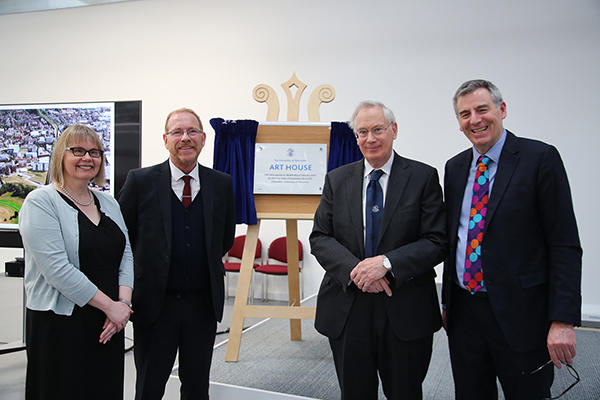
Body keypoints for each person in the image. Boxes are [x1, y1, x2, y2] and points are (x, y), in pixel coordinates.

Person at [442, 79, 582, 399]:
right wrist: (447, 302)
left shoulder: (540, 159)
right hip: (464, 315)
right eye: (465, 114)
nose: (474, 120)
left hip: (522, 316)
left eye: (482, 109)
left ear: (502, 110)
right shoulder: (454, 167)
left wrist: (563, 319)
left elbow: (564, 244)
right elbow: (455, 239)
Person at [310, 101, 446, 400]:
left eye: (377, 130)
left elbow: (437, 241)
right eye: (362, 132)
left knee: (405, 392)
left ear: (394, 130)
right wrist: (358, 272)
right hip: (349, 307)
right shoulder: (337, 179)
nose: (370, 139)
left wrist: (386, 263)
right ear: (355, 137)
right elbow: (320, 237)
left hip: (405, 308)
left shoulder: (423, 177)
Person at [118, 108, 235, 400]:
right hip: (154, 307)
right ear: (165, 139)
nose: (185, 138)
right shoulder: (140, 181)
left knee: (197, 388)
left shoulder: (221, 184)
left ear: (203, 138)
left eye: (192, 131)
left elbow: (225, 238)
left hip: (202, 306)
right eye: (177, 132)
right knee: (149, 386)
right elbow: (122, 238)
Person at [19, 124, 134, 400]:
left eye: (95, 152)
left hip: (108, 322)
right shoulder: (40, 202)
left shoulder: (108, 202)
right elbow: (57, 270)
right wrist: (112, 307)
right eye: (78, 150)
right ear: (61, 155)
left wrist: (124, 306)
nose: (88, 158)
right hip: (60, 324)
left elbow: (126, 255)